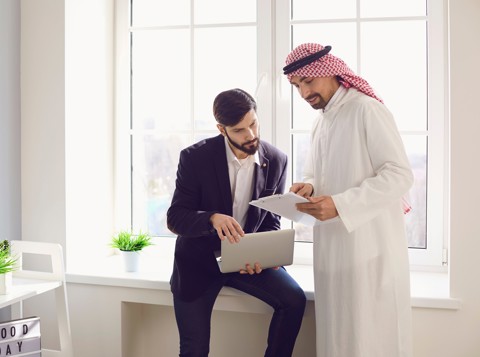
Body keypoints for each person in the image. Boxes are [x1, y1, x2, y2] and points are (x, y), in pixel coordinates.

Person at [283, 43, 414, 357]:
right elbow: (320, 173)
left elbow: (399, 174)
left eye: (308, 81)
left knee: (369, 337)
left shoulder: (366, 109)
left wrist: (341, 205)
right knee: (338, 337)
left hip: (370, 249)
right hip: (331, 251)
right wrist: (309, 187)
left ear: (329, 71)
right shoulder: (321, 122)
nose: (303, 93)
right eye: (296, 85)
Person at [167, 88, 306, 357]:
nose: (251, 135)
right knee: (194, 349)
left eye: (253, 124)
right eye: (240, 130)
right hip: (198, 263)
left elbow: (270, 221)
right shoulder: (194, 158)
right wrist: (211, 218)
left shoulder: (276, 160)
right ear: (222, 129)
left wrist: (265, 255)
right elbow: (175, 217)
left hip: (246, 260)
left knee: (294, 300)